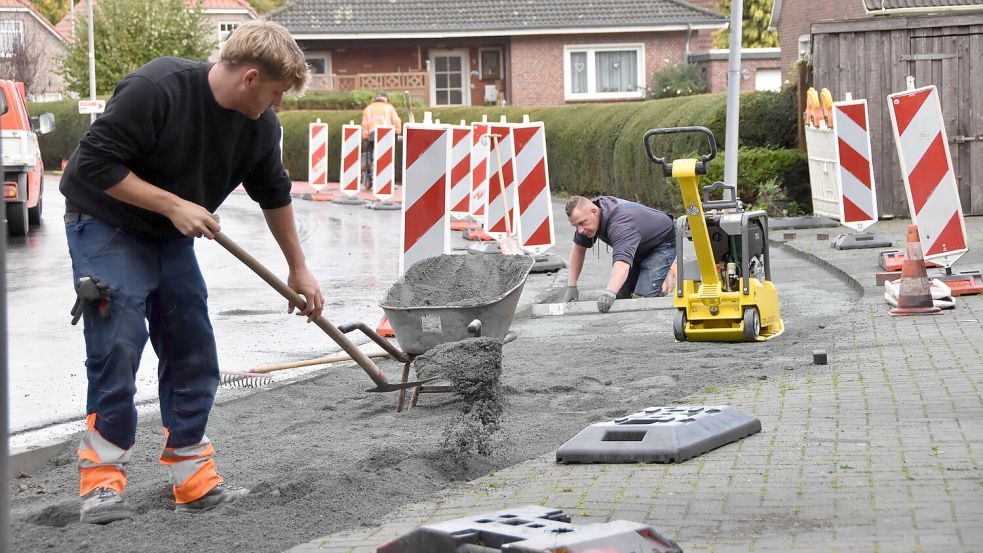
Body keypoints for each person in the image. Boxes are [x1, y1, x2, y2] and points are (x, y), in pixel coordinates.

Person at [60, 20, 325, 524]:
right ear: (250, 78)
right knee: (118, 339)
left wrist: (298, 267)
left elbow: (274, 194)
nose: (277, 105)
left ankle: (193, 479)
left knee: (192, 345)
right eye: (275, 92)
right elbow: (92, 165)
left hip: (168, 235)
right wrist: (173, 204)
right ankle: (100, 483)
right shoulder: (156, 89)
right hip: (105, 222)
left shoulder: (259, 126)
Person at [563, 196, 676, 313]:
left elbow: (622, 263)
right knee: (621, 296)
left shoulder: (621, 225)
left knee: (643, 298)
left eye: (582, 223)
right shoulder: (588, 218)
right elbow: (578, 250)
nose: (580, 230)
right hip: (637, 247)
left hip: (660, 244)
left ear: (594, 211)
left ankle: (670, 272)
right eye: (576, 226)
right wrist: (572, 286)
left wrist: (610, 292)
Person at [360, 92, 402, 188]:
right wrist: (397, 132)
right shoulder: (389, 108)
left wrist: (365, 138)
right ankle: (387, 181)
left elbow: (365, 124)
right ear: (386, 99)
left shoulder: (368, 109)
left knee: (373, 156)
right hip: (387, 135)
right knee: (387, 158)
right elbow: (396, 121)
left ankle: (372, 177)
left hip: (372, 135)